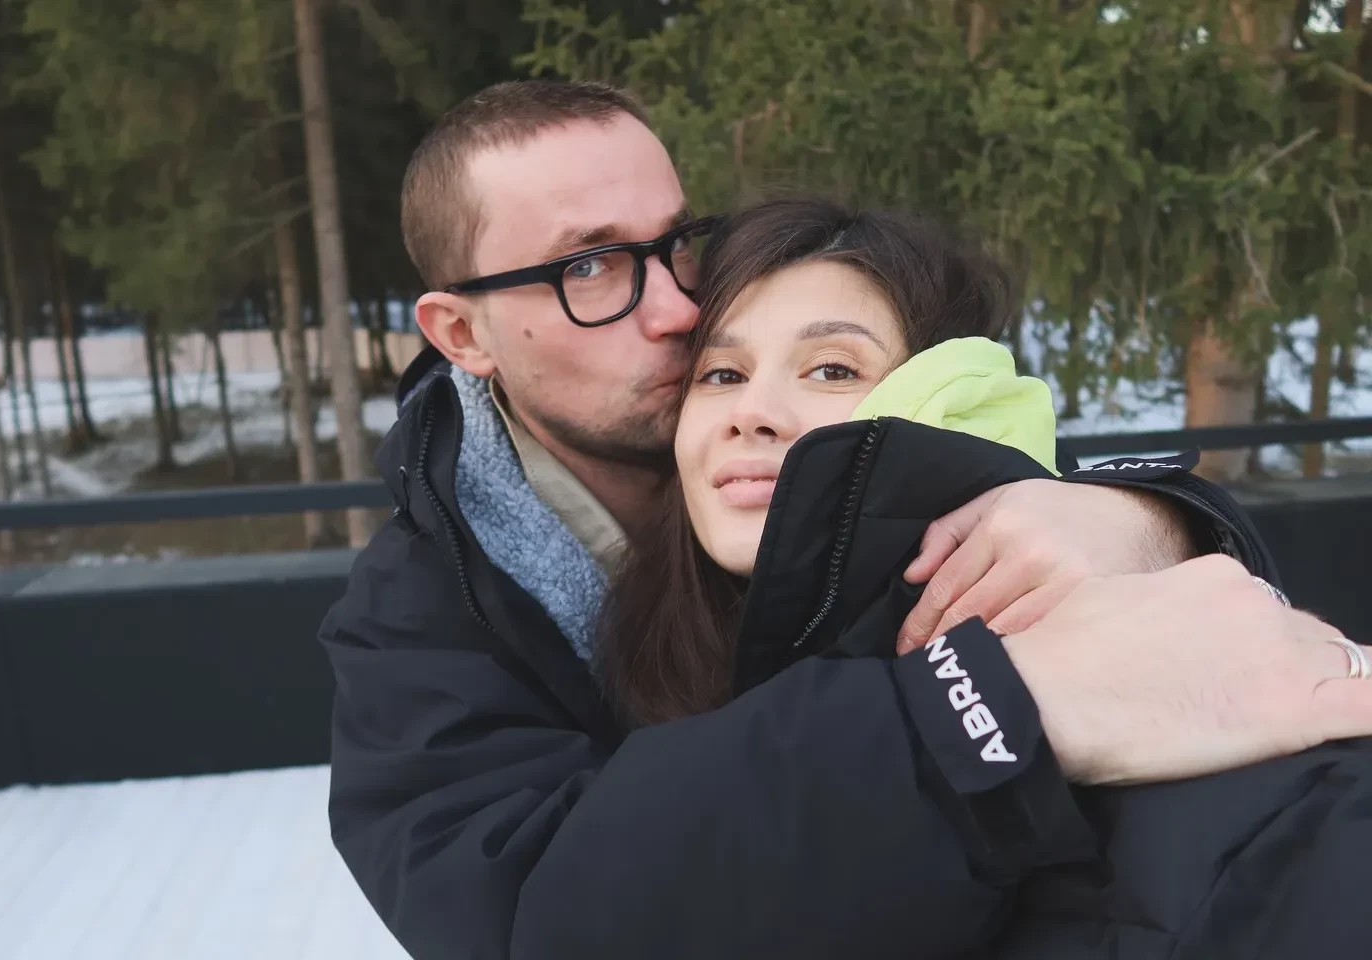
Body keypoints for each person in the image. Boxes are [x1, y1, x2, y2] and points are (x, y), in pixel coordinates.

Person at [316, 80, 1331, 960]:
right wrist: (992, 712)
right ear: (462, 332)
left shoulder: (821, 459)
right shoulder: (415, 628)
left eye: (677, 243)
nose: (676, 308)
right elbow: (535, 920)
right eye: (588, 267)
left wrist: (1149, 521)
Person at [597, 198, 1372, 958]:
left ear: (951, 403)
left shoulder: (1244, 777)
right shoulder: (636, 681)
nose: (752, 411)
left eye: (832, 368)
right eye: (721, 373)